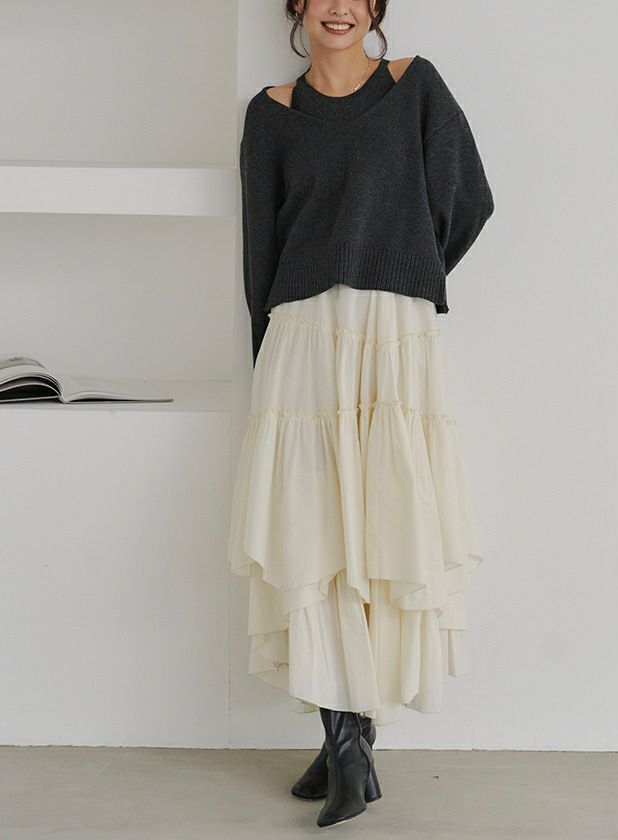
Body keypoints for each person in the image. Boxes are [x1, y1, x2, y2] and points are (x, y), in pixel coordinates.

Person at [227, 0, 494, 828]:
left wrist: (404, 267)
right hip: (305, 335)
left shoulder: (416, 88)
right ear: (298, 7)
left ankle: (350, 741)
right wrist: (264, 354)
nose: (338, 6)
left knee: (383, 529)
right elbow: (260, 247)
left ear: (375, 7)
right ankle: (346, 747)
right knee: (316, 532)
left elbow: (470, 201)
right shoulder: (271, 113)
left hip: (392, 334)